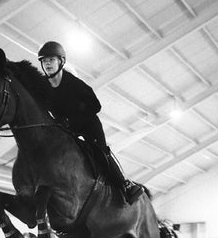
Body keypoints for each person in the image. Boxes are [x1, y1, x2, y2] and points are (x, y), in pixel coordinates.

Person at [37, 41, 143, 204]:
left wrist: (73, 119)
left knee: (100, 152)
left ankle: (125, 185)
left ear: (61, 62)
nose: (47, 64)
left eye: (51, 60)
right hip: (65, 128)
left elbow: (96, 105)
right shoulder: (43, 86)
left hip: (88, 124)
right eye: (44, 61)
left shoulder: (74, 84)